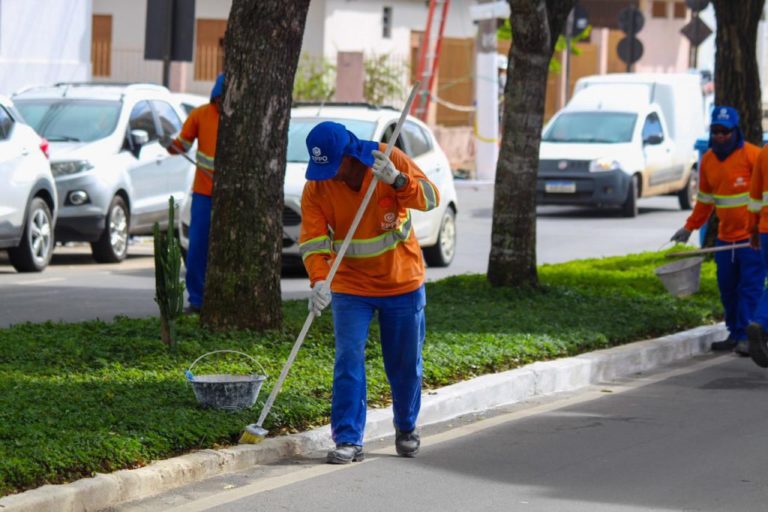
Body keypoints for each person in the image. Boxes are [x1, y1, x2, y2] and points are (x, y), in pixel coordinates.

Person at [299, 121, 440, 464]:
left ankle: (406, 426)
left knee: (404, 363)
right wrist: (319, 280)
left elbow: (431, 198)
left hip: (401, 282)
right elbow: (314, 241)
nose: (329, 176)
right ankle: (348, 438)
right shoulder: (316, 188)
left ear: (349, 155)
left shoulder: (387, 159)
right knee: (348, 360)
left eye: (334, 167)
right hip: (350, 285)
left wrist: (399, 181)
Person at [670, 106, 763, 355]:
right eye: (716, 131)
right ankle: (735, 333)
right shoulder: (708, 160)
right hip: (725, 239)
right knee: (728, 288)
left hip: (751, 240)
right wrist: (689, 227)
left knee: (750, 287)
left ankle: (747, 337)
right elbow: (705, 200)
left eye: (725, 131)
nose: (720, 136)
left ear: (736, 131)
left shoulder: (753, 156)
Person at [164, 73, 224, 314]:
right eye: (219, 98)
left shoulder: (240, 118)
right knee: (198, 245)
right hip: (204, 194)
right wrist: (170, 145)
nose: (222, 103)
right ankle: (197, 299)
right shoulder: (201, 115)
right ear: (214, 97)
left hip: (231, 198)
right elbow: (182, 145)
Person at [746, 131, 768, 368]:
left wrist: (752, 230)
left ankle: (760, 322)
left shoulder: (764, 153)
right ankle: (761, 324)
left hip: (765, 231)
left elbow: (754, 198)